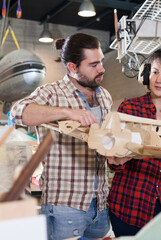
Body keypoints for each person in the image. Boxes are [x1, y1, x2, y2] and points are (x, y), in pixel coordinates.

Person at [9, 33, 112, 240]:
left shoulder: (105, 96)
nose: (101, 69)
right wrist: (67, 112)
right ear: (73, 68)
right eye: (93, 65)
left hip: (100, 204)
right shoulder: (52, 92)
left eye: (100, 61)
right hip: (66, 205)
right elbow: (17, 112)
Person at [107, 48, 161, 237]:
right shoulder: (129, 108)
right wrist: (117, 159)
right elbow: (113, 160)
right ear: (146, 75)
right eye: (155, 72)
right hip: (130, 204)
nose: (159, 79)